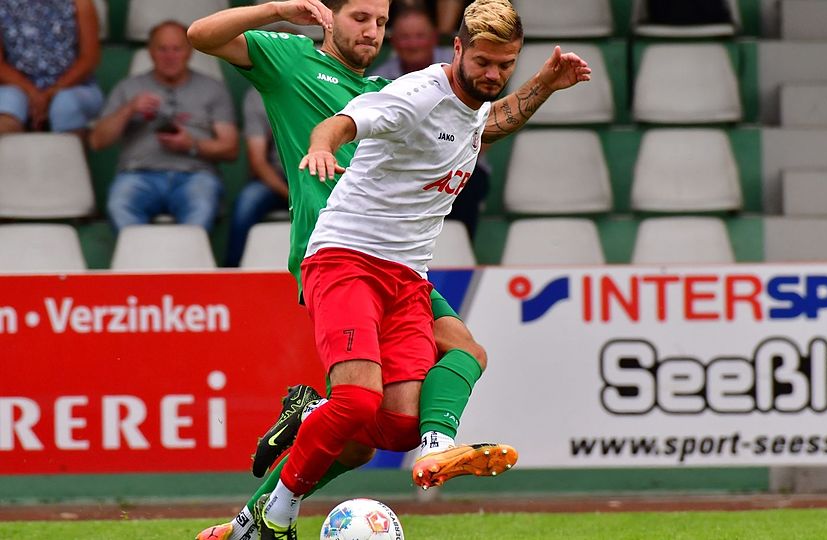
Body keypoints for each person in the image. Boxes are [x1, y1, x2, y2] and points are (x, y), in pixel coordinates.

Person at [187, 0, 586, 537]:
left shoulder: (400, 89)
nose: (372, 31)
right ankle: (283, 497)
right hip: (343, 250)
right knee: (357, 402)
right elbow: (207, 38)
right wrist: (319, 140)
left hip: (404, 265)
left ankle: (256, 514)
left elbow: (482, 124)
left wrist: (543, 85)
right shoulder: (305, 66)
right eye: (360, 17)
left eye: (380, 21)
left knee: (381, 428)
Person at [89, 21, 238, 234]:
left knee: (202, 205)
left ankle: (187, 256)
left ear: (189, 52)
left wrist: (192, 144)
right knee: (119, 204)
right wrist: (129, 109)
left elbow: (231, 149)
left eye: (177, 49)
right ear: (150, 52)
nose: (170, 56)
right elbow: (97, 141)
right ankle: (139, 256)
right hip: (138, 175)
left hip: (195, 175)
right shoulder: (129, 87)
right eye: (162, 49)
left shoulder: (213, 88)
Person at [372, 6, 489, 240]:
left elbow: (485, 124)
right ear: (393, 41)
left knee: (470, 181)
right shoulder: (380, 80)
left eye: (420, 35)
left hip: (462, 162)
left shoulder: (463, 68)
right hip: (403, 166)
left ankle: (458, 250)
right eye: (405, 37)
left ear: (434, 37)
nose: (413, 44)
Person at [0, 0, 103, 134]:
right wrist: (32, 93)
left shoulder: (80, 3)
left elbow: (90, 58)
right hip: (17, 86)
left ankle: (69, 146)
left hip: (74, 86)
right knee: (9, 104)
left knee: (65, 104)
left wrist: (51, 93)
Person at [225, 88, 289, 267]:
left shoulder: (321, 85)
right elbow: (258, 162)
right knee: (248, 201)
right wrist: (292, 196)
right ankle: (233, 271)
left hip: (318, 175)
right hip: (277, 177)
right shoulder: (259, 93)